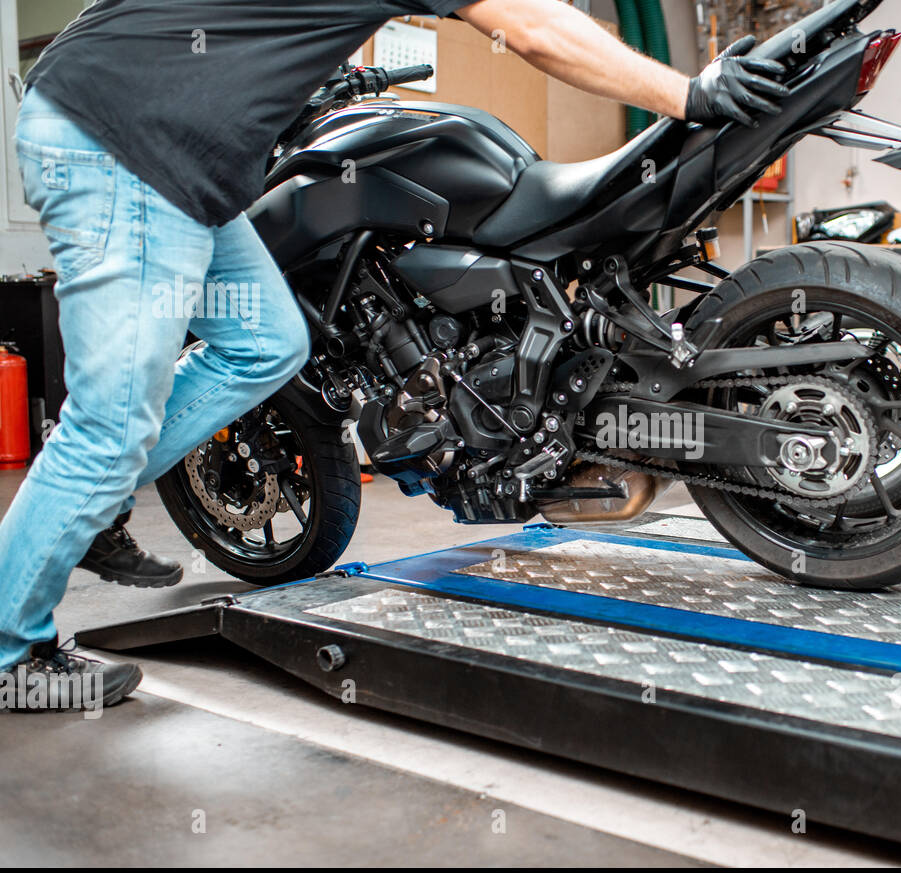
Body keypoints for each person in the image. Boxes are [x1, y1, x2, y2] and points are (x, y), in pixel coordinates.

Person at [0, 0, 788, 712]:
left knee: (266, 342)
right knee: (108, 425)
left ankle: (87, 503)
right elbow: (537, 26)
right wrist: (691, 93)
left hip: (167, 152)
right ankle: (11, 652)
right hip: (123, 149)